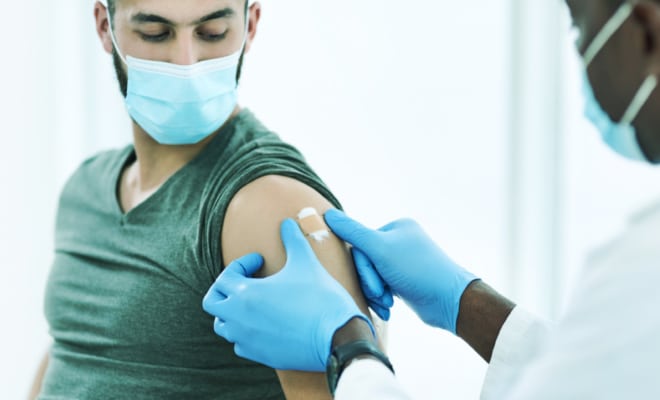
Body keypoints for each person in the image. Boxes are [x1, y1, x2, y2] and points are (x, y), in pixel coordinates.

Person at [202, 0, 660, 398]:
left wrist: (349, 343)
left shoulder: (641, 268)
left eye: (580, 29)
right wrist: (467, 302)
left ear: (644, 28)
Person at [30, 0, 377, 399]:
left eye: (212, 32)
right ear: (105, 27)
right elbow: (76, 352)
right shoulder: (86, 187)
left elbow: (354, 382)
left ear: (250, 25)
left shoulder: (265, 201)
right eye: (155, 33)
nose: (186, 63)